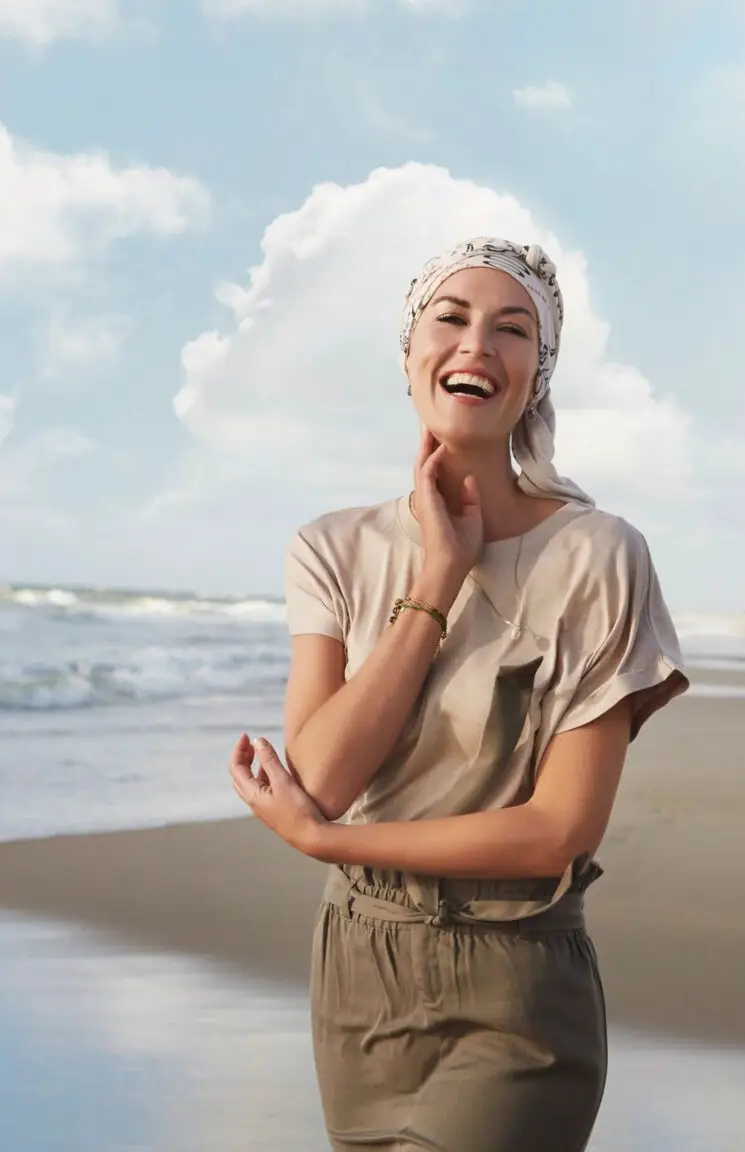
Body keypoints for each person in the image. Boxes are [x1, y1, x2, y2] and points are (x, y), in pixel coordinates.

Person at [229, 237, 690, 1152]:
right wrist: (437, 581)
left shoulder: (599, 555)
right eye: (451, 318)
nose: (478, 342)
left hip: (514, 977)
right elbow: (318, 772)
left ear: (537, 374)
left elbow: (562, 829)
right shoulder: (330, 548)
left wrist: (332, 841)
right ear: (410, 355)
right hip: (357, 972)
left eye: (512, 329)